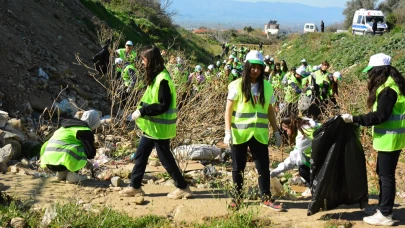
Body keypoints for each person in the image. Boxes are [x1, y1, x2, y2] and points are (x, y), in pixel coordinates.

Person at [119, 45, 193, 199]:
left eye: (144, 59)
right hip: (153, 128)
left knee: (165, 159)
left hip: (159, 129)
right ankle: (135, 186)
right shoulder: (157, 77)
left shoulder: (163, 80)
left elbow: (163, 105)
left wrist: (142, 111)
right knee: (141, 155)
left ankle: (183, 187)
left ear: (151, 60)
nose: (142, 62)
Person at [341, 53, 405, 226]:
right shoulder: (390, 85)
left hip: (389, 140)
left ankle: (385, 214)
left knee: (386, 177)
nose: (370, 76)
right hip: (390, 139)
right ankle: (383, 209)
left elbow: (380, 116)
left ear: (379, 71)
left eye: (371, 72)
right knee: (383, 174)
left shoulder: (388, 90)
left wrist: (354, 119)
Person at [224, 50, 283, 211]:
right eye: (252, 67)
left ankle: (266, 198)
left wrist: (276, 131)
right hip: (240, 133)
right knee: (238, 167)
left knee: (263, 167)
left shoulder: (267, 87)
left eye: (258, 67)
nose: (255, 70)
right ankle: (237, 198)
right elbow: (228, 110)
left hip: (259, 134)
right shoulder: (236, 85)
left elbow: (270, 110)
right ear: (247, 67)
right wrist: (227, 132)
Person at [40, 110, 100, 183]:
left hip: (48, 161)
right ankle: (72, 175)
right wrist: (86, 162)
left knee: (67, 146)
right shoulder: (84, 129)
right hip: (60, 160)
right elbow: (90, 154)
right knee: (81, 148)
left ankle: (61, 174)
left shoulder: (64, 127)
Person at [270, 114, 320, 197]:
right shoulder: (307, 124)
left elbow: (292, 160)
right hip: (327, 155)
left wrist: (274, 172)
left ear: (291, 126)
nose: (287, 134)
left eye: (286, 130)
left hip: (322, 160)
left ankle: (317, 189)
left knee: (302, 169)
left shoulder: (302, 137)